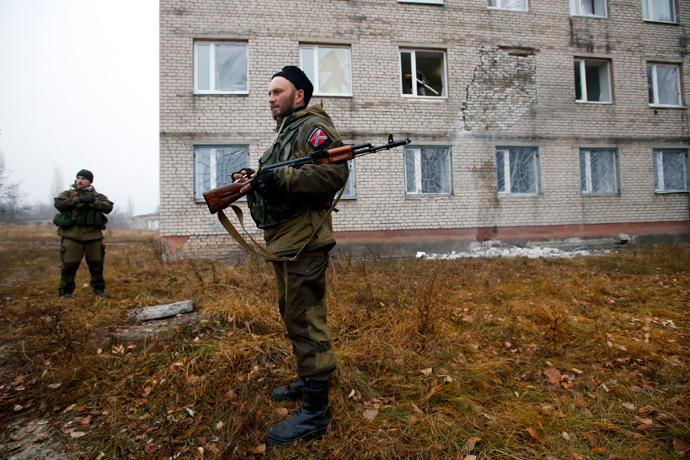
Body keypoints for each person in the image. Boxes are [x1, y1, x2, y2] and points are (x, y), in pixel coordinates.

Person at [232, 66, 348, 445]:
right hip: (285, 240)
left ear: (299, 95)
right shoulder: (285, 135)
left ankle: (316, 414)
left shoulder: (311, 126)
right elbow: (278, 178)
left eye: (277, 92)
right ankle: (307, 378)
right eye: (268, 93)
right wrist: (255, 177)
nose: (270, 98)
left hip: (304, 239)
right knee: (293, 313)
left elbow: (334, 173)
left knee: (306, 318)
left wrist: (280, 180)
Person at [54, 169, 113, 299]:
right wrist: (79, 200)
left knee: (96, 266)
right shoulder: (69, 194)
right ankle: (66, 292)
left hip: (93, 236)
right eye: (78, 178)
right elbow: (59, 204)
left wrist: (92, 204)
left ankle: (98, 289)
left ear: (90, 181)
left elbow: (108, 207)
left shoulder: (98, 197)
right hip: (72, 236)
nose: (80, 181)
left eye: (84, 179)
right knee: (69, 266)